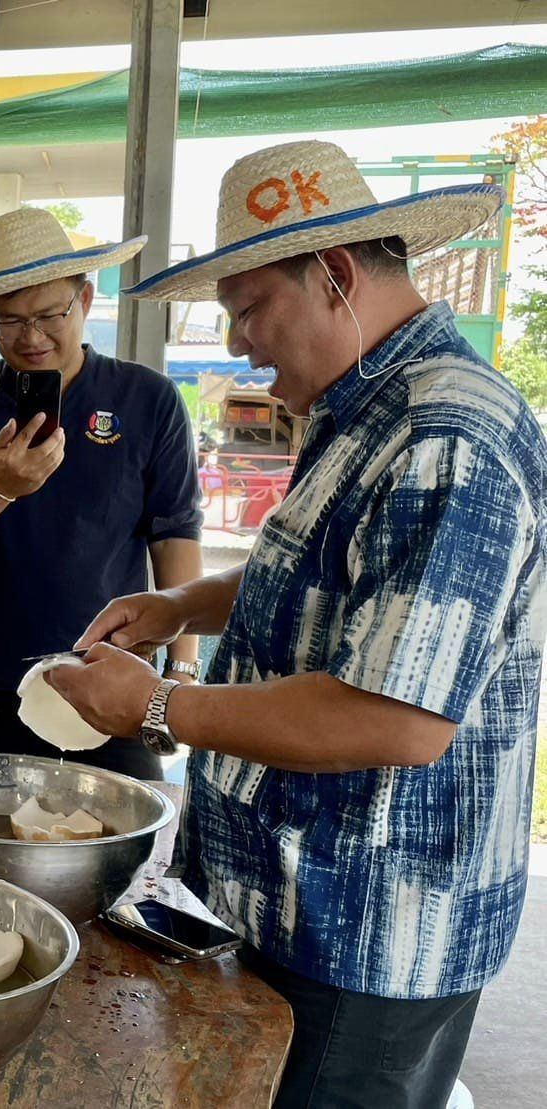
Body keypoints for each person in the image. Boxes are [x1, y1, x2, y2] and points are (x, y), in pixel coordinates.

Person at [48, 140, 543, 1108]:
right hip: (288, 901)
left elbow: (397, 718)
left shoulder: (445, 435)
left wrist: (157, 707)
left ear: (335, 276)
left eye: (248, 308)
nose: (240, 343)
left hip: (366, 924)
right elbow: (337, 568)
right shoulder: (366, 406)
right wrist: (184, 603)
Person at [0, 207, 204, 779]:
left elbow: (174, 535)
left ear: (85, 300)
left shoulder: (148, 399)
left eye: (49, 314)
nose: (31, 337)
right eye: (8, 320)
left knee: (119, 848)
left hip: (112, 679)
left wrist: (179, 671)